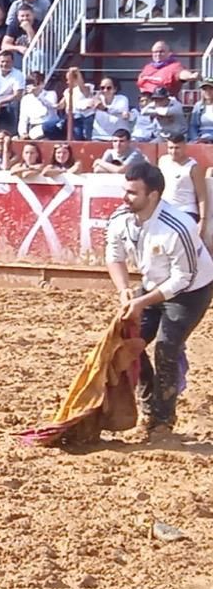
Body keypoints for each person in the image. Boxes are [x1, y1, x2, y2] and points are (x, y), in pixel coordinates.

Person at [106, 158, 213, 438]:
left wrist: (140, 302)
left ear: (152, 195)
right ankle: (148, 410)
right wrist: (123, 290)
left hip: (190, 292)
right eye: (125, 190)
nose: (125, 198)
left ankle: (164, 420)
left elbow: (183, 279)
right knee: (130, 343)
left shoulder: (178, 227)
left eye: (132, 193)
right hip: (153, 283)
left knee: (166, 348)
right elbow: (113, 257)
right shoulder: (120, 219)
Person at [158, 134, 207, 240]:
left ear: (184, 147)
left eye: (177, 148)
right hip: (165, 210)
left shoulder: (193, 167)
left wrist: (203, 220)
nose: (174, 151)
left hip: (186, 211)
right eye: (170, 148)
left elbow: (202, 195)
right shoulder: (163, 161)